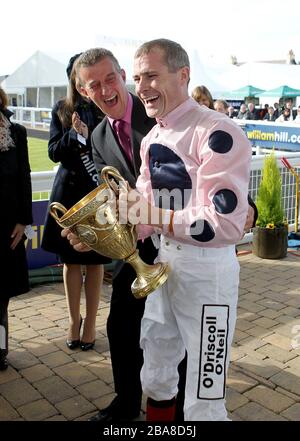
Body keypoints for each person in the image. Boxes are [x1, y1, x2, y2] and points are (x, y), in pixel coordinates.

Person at [118, 38, 251, 421]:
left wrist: (152, 216)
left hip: (208, 272)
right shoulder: (155, 137)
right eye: (139, 77)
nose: (141, 87)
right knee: (156, 365)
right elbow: (143, 211)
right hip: (164, 264)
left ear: (183, 75)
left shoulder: (216, 131)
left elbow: (224, 224)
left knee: (204, 391)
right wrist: (109, 226)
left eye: (152, 76)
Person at [72, 48, 160, 421]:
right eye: (95, 85)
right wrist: (90, 231)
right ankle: (126, 404)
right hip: (140, 248)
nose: (106, 89)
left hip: (181, 243)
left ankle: (181, 409)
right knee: (120, 324)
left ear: (123, 74)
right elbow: (112, 197)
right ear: (84, 91)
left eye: (110, 78)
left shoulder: (158, 114)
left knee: (178, 335)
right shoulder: (97, 136)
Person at [41, 54, 110, 351]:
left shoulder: (101, 109)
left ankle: (92, 323)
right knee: (70, 262)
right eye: (78, 77)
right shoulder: (61, 109)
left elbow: (108, 150)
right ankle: (73, 320)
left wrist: (88, 136)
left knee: (94, 264)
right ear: (73, 79)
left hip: (94, 194)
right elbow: (53, 152)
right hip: (68, 195)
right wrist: (73, 135)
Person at [0, 87, 33, 370]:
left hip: (7, 228)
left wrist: (24, 221)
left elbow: (24, 177)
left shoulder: (16, 132)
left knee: (0, 297)